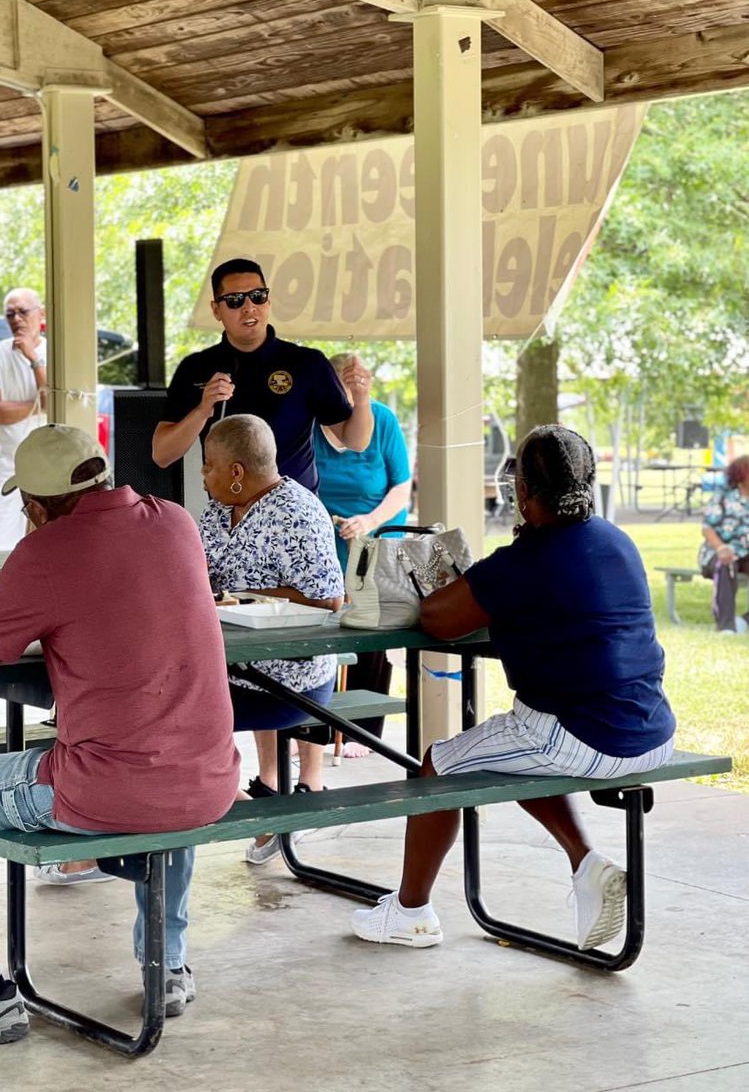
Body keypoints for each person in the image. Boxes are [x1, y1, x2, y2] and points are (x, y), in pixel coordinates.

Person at [0, 424, 239, 1047]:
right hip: (210, 778)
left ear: (38, 507)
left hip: (107, 788)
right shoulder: (176, 521)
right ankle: (169, 962)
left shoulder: (45, 552)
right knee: (161, 760)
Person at [350, 425, 676, 953]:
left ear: (522, 494)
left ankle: (411, 913)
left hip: (582, 736)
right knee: (506, 749)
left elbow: (437, 619)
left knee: (439, 764)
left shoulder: (525, 561)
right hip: (652, 729)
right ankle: (585, 862)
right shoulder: (617, 539)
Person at [199, 414, 344, 865]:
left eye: (208, 465)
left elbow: (329, 601)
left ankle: (264, 819)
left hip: (287, 682)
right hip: (230, 669)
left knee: (162, 724)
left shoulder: (298, 513)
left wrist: (238, 599)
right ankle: (262, 814)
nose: (203, 475)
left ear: (236, 471)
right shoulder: (218, 510)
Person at [152, 258, 374, 492]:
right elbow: (162, 454)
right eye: (235, 301)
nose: (249, 307)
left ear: (268, 302)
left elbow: (355, 441)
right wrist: (202, 410)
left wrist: (361, 400)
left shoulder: (307, 363)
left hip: (294, 513)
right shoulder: (196, 367)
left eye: (257, 296)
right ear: (216, 310)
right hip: (229, 513)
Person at [314, 351, 412, 756]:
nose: (350, 393)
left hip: (373, 534)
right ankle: (321, 723)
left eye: (357, 385)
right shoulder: (311, 422)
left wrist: (368, 521)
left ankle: (361, 731)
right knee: (324, 628)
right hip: (322, 534)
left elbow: (401, 487)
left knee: (370, 626)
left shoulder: (383, 420)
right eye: (343, 384)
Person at [0, 287, 48, 551]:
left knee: (50, 545)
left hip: (52, 462)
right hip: (10, 462)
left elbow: (52, 400)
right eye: (10, 314)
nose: (16, 319)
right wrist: (37, 404)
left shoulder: (57, 353)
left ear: (41, 314)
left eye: (23, 311)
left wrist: (33, 358)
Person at [700, 455, 749, 634]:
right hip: (720, 551)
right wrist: (721, 547)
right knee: (726, 565)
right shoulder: (724, 496)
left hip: (746, 552)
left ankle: (745, 621)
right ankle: (726, 626)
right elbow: (707, 528)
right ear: (741, 475)